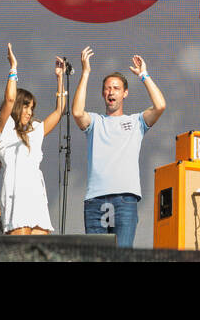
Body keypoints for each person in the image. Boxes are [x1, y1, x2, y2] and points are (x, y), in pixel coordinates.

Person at [72, 46, 167, 247]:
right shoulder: (96, 122)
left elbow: (159, 106)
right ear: (103, 94)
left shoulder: (136, 122)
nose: (111, 92)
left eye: (116, 88)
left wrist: (144, 75)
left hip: (124, 200)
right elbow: (78, 113)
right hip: (95, 200)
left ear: (125, 93)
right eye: (107, 88)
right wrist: (86, 72)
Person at [0, 43, 66, 235]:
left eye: (32, 108)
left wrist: (60, 78)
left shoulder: (34, 130)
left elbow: (60, 110)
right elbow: (10, 100)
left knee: (40, 251)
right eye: (26, 107)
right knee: (20, 251)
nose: (29, 112)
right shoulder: (1, 129)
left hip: (36, 193)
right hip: (16, 194)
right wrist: (13, 68)